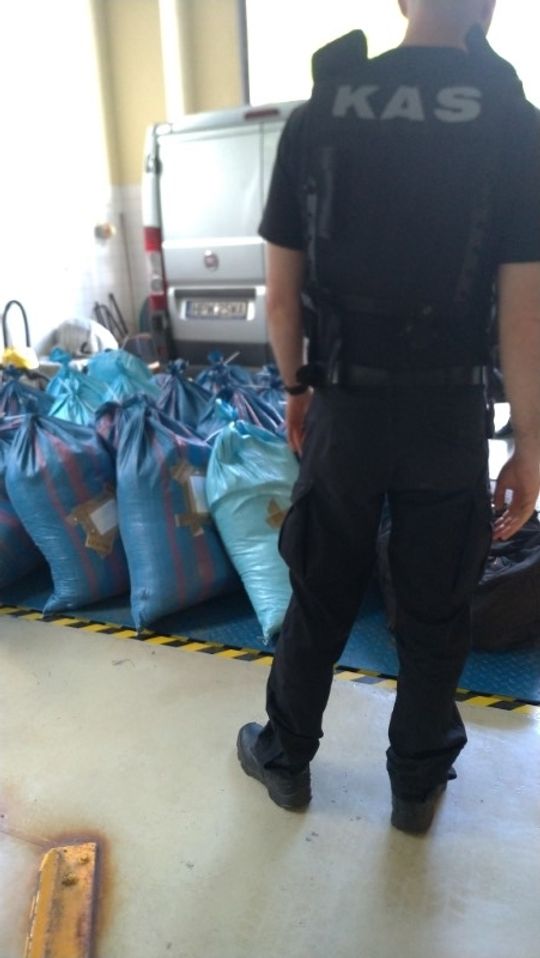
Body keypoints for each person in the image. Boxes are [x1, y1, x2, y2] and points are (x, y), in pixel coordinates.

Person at [237, 0, 540, 833]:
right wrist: (530, 443)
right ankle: (416, 783)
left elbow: (282, 297)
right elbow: (525, 314)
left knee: (321, 587)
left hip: (347, 404)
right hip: (449, 413)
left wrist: (298, 390)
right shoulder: (513, 119)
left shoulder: (323, 109)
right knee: (437, 602)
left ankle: (286, 757)